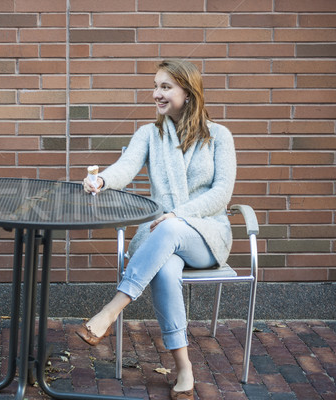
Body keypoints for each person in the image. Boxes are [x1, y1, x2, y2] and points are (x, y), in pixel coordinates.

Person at [78, 59, 236, 400]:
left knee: (170, 226)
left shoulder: (220, 136)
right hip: (164, 239)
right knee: (164, 272)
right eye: (155, 86)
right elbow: (125, 168)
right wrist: (102, 179)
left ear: (188, 93)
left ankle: (112, 309)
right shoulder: (149, 134)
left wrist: (179, 214)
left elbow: (222, 192)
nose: (156, 94)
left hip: (206, 235)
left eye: (165, 87)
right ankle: (184, 367)